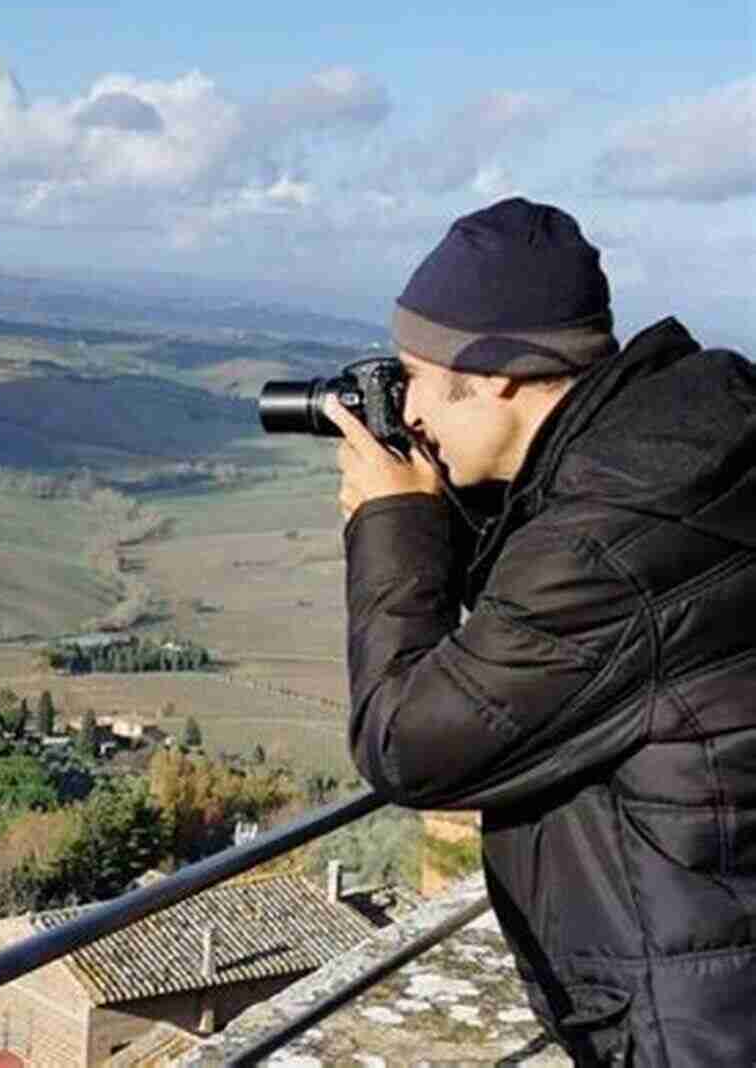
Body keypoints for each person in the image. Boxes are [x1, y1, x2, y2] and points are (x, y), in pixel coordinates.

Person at [324, 196, 756, 1067]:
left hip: (694, 1025)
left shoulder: (607, 547)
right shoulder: (677, 459)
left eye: (416, 378)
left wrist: (393, 528)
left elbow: (408, 743)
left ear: (497, 377)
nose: (407, 414)